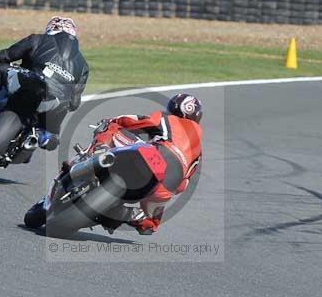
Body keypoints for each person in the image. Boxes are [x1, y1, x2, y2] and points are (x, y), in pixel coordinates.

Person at [26, 93, 203, 235]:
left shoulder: (168, 119)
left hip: (151, 156)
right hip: (165, 186)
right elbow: (182, 186)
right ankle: (134, 217)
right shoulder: (198, 152)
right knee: (148, 224)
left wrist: (111, 121)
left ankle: (96, 152)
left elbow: (134, 121)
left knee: (112, 126)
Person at [0, 16, 89, 150]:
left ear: (51, 28)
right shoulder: (83, 65)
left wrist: (2, 59)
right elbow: (74, 103)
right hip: (55, 104)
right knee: (55, 128)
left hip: (29, 82)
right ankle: (43, 136)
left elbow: (4, 56)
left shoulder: (38, 39)